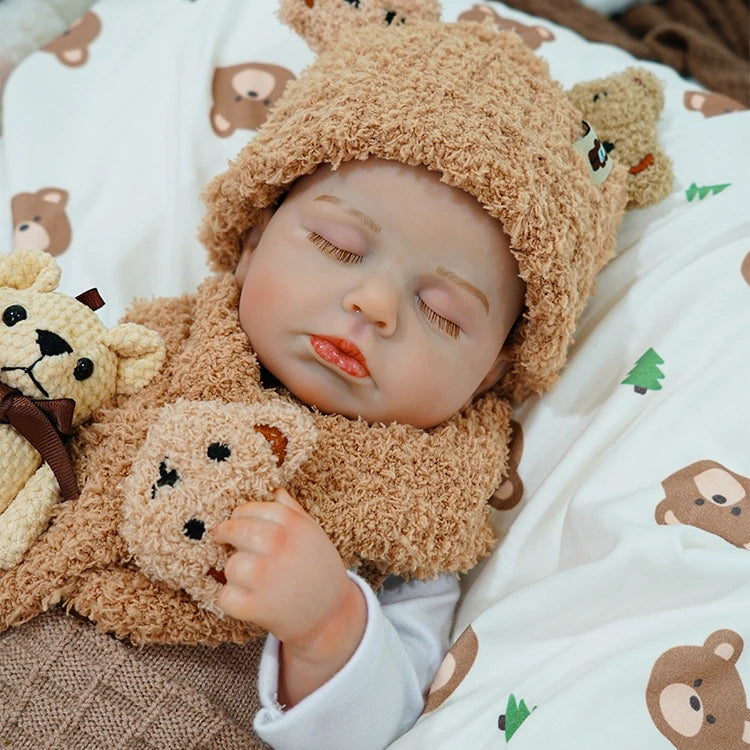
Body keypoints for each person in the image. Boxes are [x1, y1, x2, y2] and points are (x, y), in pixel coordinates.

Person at [0, 2, 629, 748]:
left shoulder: (417, 513)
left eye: (444, 312)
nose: (373, 303)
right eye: (336, 245)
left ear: (493, 372)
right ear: (253, 237)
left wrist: (328, 625)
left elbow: (377, 722)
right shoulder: (142, 350)